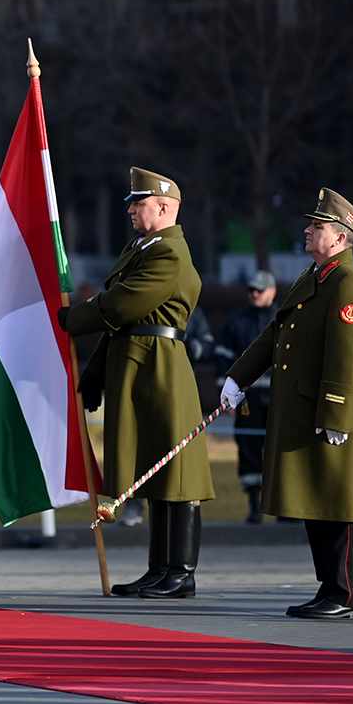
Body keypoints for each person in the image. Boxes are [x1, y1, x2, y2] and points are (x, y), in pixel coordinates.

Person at [222, 189, 353, 619]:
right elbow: (276, 334)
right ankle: (329, 586)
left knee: (340, 501)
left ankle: (344, 593)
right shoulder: (316, 276)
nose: (308, 230)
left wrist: (336, 413)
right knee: (317, 499)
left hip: (332, 411)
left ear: (340, 237)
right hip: (305, 410)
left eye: (317, 226)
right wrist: (239, 375)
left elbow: (350, 357)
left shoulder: (349, 284)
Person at [59, 166, 215, 598]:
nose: (130, 209)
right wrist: (96, 373)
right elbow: (122, 325)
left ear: (164, 208)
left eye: (138, 203)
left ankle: (181, 571)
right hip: (137, 362)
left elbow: (123, 304)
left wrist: (75, 317)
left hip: (161, 368)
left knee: (175, 472)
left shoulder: (170, 253)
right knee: (152, 468)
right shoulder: (142, 247)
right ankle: (159, 568)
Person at [216, 270, 279, 524]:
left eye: (260, 290)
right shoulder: (236, 322)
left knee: (280, 452)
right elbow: (222, 359)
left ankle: (284, 508)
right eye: (251, 289)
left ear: (273, 292)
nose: (255, 294)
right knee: (249, 450)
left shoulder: (284, 320)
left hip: (277, 400)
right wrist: (226, 396)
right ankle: (255, 505)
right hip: (247, 402)